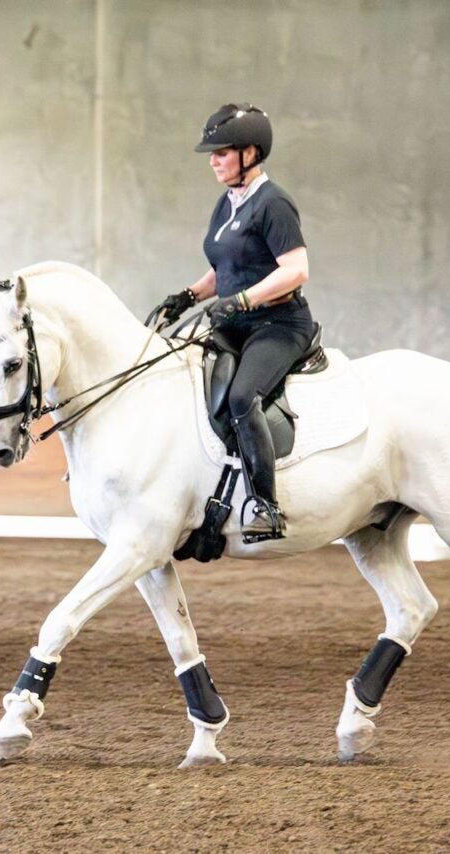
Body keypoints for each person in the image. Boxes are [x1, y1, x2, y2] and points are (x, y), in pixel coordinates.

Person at [151, 103, 314, 543]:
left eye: (222, 152)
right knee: (176, 370)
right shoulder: (227, 204)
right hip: (237, 321)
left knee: (242, 397)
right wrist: (188, 295)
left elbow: (295, 270)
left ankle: (265, 505)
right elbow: (224, 268)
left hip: (277, 324)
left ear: (250, 153)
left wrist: (240, 300)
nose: (213, 160)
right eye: (213, 153)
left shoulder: (273, 202)